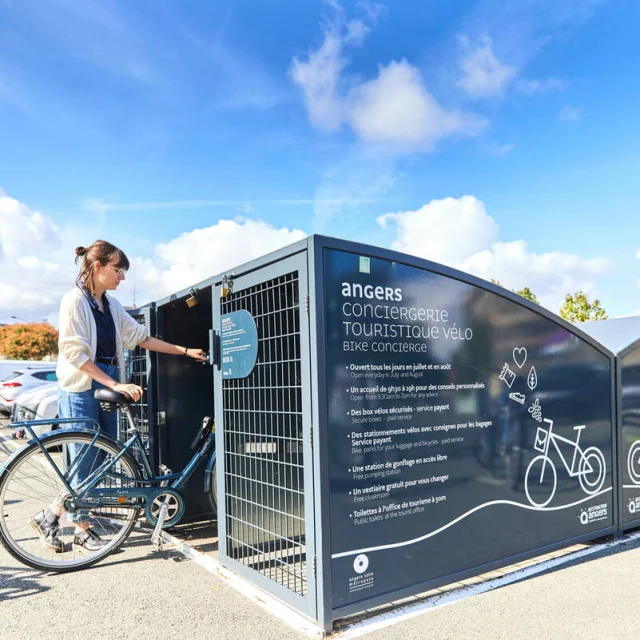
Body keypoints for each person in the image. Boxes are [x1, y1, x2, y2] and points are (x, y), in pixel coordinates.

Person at [31, 240, 206, 553]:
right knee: (84, 461)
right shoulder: (74, 301)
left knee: (102, 459)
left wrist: (184, 351)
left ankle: (54, 517)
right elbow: (73, 352)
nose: (121, 277)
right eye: (117, 269)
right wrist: (114, 383)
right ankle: (79, 527)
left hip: (105, 382)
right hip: (81, 384)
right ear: (97, 267)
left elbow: (141, 338)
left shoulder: (109, 305)